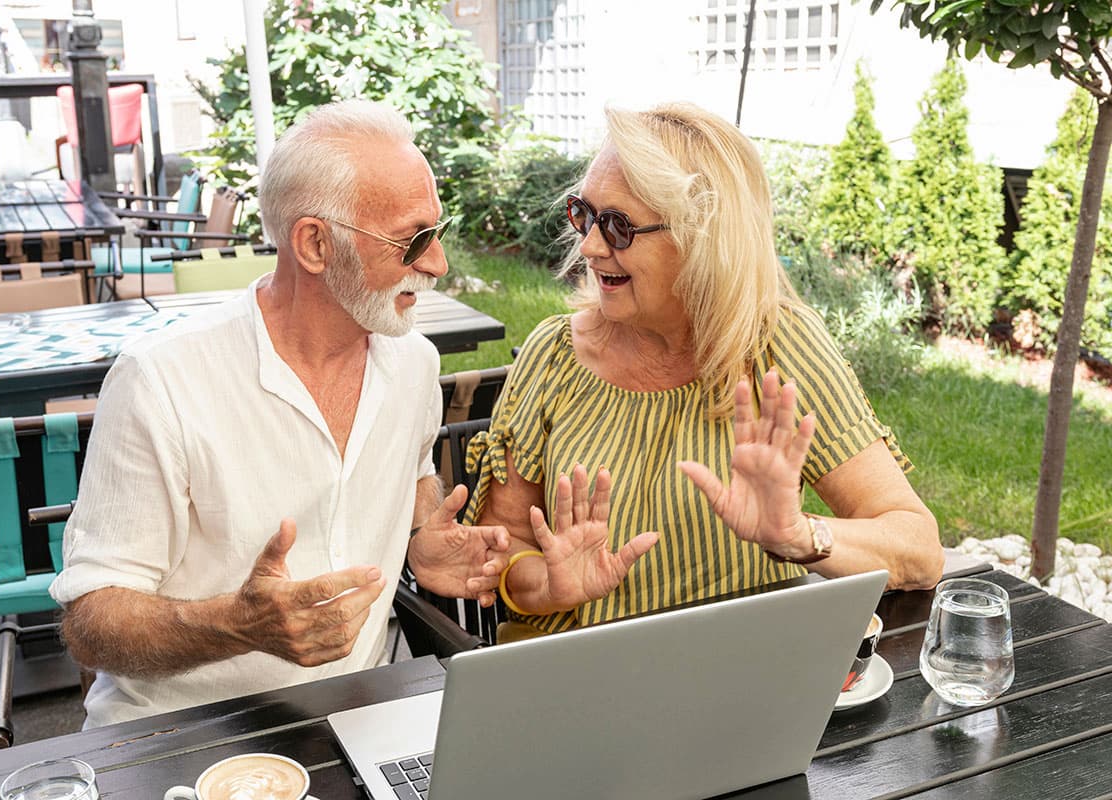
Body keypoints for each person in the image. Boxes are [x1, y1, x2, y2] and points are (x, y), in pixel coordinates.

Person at [50, 99, 510, 727]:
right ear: (315, 244)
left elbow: (411, 471)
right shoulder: (161, 379)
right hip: (182, 736)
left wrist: (421, 536)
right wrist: (236, 626)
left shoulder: (414, 364)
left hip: (356, 718)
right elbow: (91, 622)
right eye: (413, 241)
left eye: (438, 232)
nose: (438, 264)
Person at [467, 102, 943, 640]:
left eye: (619, 226)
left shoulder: (778, 348)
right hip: (572, 682)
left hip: (739, 679)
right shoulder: (553, 355)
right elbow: (503, 545)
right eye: (585, 214)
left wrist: (799, 535)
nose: (590, 245)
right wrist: (554, 586)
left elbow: (918, 548)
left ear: (704, 237)